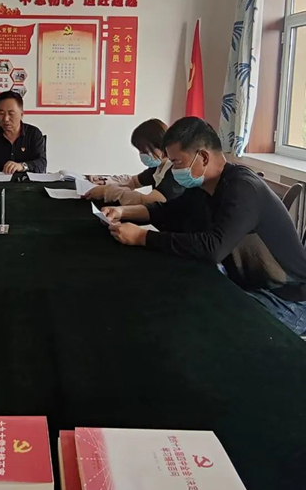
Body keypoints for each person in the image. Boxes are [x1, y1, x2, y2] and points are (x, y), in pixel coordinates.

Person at [103, 116, 306, 335]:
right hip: (248, 284)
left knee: (204, 321)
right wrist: (123, 212)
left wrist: (141, 237)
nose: (174, 170)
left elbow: (213, 248)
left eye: (177, 163)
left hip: (289, 299)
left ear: (203, 157)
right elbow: (169, 211)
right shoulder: (205, 187)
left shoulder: (243, 189)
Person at [84, 119, 184, 205]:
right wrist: (103, 181)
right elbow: (133, 181)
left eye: (145, 151)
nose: (142, 155)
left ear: (161, 147)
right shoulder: (157, 168)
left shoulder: (175, 173)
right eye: (140, 151)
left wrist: (107, 191)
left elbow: (148, 201)